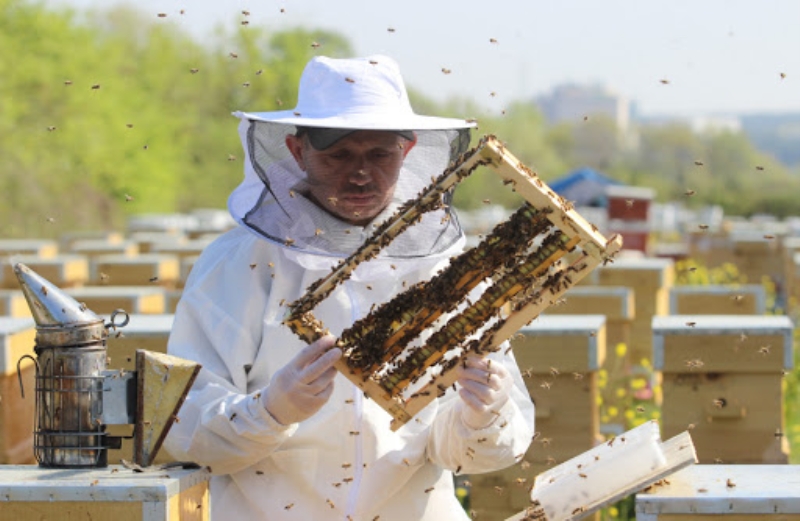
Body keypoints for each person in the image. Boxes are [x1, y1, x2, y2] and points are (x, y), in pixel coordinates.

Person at [163, 55, 535, 520]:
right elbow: (182, 428)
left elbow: (468, 453)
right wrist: (270, 411)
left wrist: (483, 414)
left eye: (379, 154)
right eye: (339, 154)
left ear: (409, 150)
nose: (360, 173)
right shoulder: (239, 264)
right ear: (297, 151)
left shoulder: (446, 268)